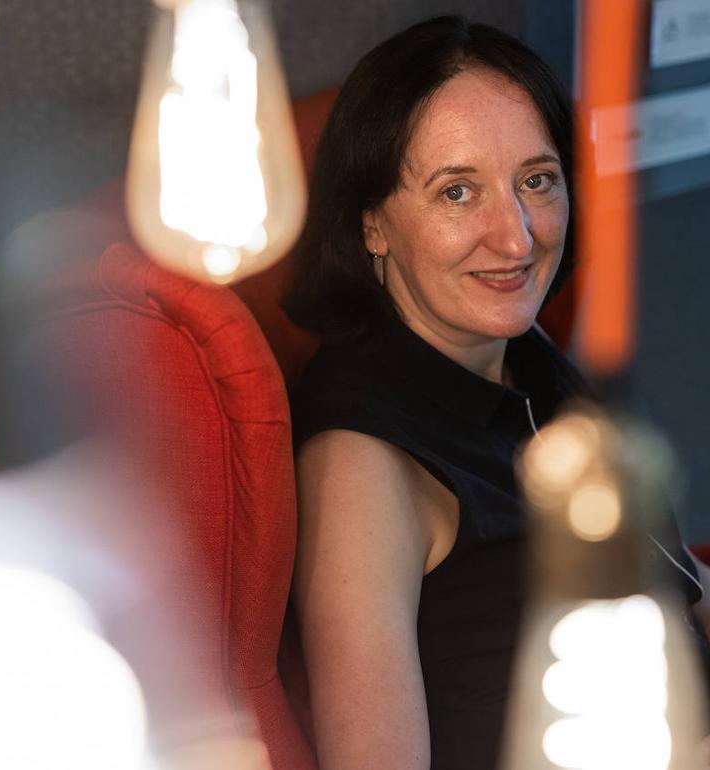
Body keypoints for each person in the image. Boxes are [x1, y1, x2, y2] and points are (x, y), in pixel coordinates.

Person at [279, 15, 710, 770]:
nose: (516, 238)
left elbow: (677, 580)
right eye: (457, 192)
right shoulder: (360, 463)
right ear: (372, 222)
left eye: (536, 181)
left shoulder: (523, 358)